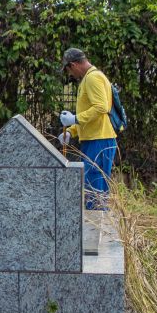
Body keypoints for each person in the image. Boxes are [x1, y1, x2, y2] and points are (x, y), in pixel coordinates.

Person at [58, 47, 117, 210]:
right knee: (93, 187)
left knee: (95, 188)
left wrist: (75, 118)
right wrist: (71, 130)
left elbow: (101, 107)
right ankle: (98, 227)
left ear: (74, 65)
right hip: (94, 139)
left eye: (68, 70)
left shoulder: (93, 78)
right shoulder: (89, 78)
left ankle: (97, 228)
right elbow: (89, 113)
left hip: (99, 140)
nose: (70, 74)